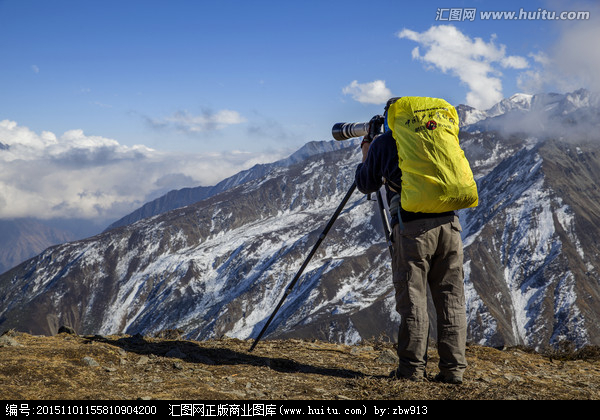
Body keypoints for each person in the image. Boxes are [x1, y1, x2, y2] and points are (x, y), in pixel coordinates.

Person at [354, 99, 468, 384]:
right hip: (451, 227)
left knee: (414, 301)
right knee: (451, 300)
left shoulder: (385, 143)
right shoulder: (437, 135)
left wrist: (367, 154)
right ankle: (453, 372)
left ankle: (412, 371)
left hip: (413, 231)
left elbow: (366, 184)